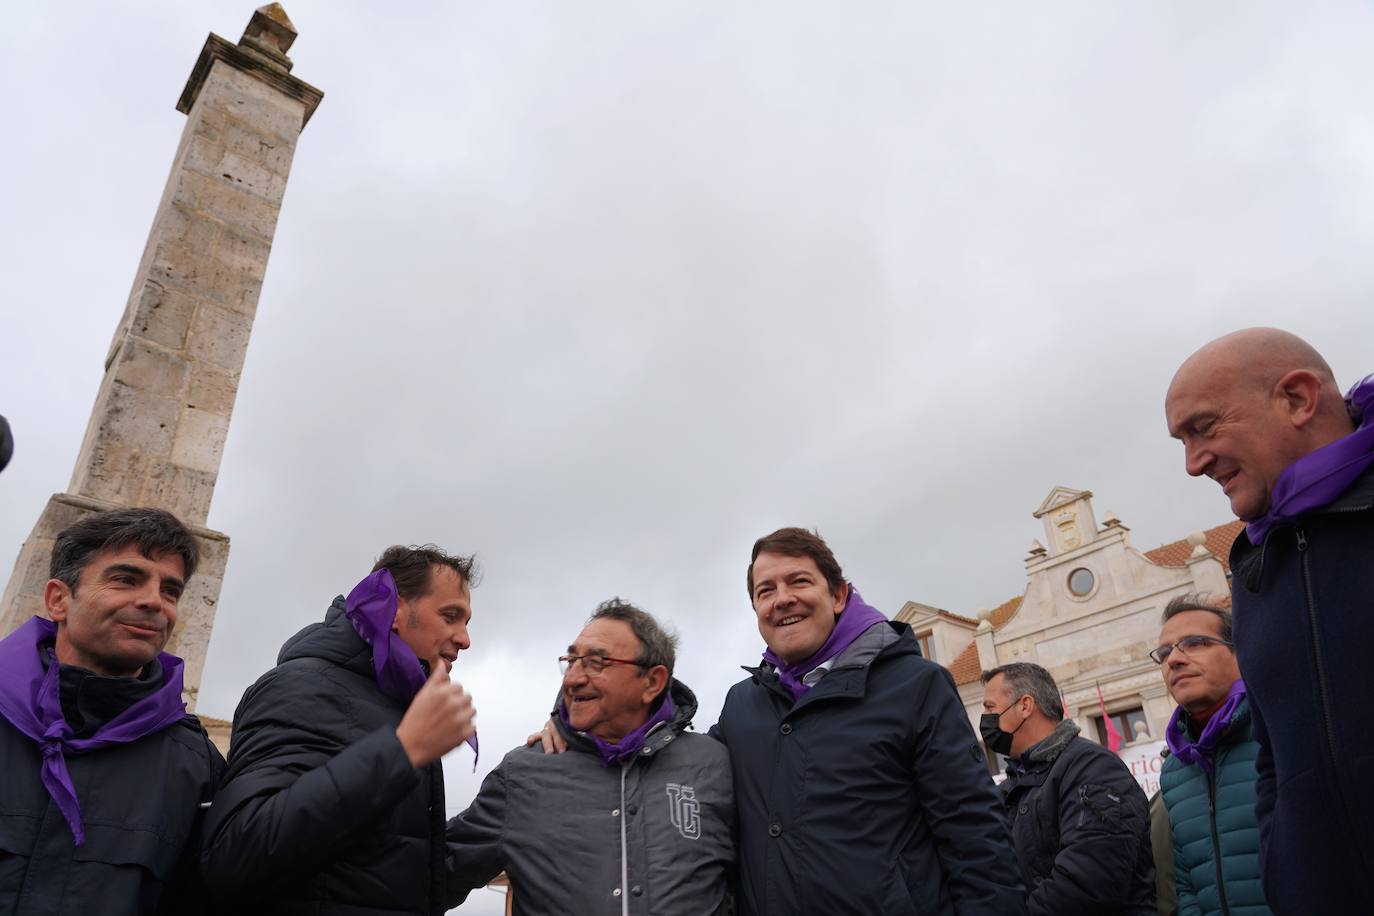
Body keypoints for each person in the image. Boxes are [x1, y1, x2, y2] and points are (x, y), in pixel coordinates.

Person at [1165, 327, 1374, 913]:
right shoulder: (1253, 571)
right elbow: (1273, 766)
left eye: (1203, 428)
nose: (1192, 464)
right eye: (1181, 441)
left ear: (1298, 399)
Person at [715, 527, 1024, 915]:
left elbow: (976, 838)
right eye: (766, 591)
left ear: (839, 595)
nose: (782, 599)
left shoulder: (916, 685)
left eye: (799, 581)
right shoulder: (740, 705)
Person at [201, 544, 479, 915]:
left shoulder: (400, 708)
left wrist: (522, 788)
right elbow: (235, 854)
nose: (465, 639)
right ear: (392, 608)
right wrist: (400, 752)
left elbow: (398, 877)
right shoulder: (301, 687)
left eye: (466, 622)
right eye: (450, 616)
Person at [0, 507, 224, 915]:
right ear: (59, 599)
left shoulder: (196, 766)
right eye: (125, 579)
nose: (154, 601)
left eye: (170, 590)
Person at [447, 598, 734, 914]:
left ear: (653, 682)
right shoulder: (523, 774)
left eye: (597, 662)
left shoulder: (714, 763)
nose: (573, 678)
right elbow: (427, 881)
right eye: (571, 661)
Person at [980, 662, 1154, 915]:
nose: (985, 720)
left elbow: (1089, 882)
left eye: (990, 708)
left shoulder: (1094, 768)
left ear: (1025, 706)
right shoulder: (1011, 785)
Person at [1151, 594, 1270, 916]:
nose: (1174, 659)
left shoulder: (1283, 733)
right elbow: (1186, 883)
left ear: (1239, 653)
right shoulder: (1174, 769)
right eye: (1164, 652)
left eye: (1196, 643)